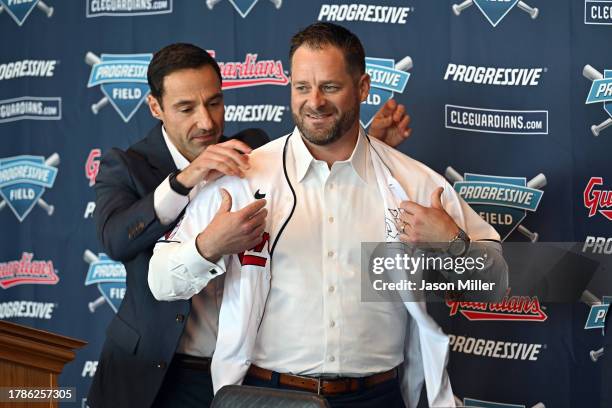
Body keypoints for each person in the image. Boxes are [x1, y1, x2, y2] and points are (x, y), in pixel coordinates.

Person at [149, 24, 508, 408]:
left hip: (377, 397)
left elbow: (497, 284)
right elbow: (160, 281)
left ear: (363, 87)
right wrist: (208, 246)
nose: (314, 101)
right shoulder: (241, 177)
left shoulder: (416, 183)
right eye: (302, 87)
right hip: (268, 396)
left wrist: (451, 242)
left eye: (330, 87)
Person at [87, 42, 412, 408]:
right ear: (155, 108)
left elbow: (317, 174)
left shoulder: (252, 152)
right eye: (186, 108)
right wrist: (186, 179)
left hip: (237, 371)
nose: (206, 122)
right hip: (155, 371)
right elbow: (117, 239)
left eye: (214, 102)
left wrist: (370, 144)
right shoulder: (126, 165)